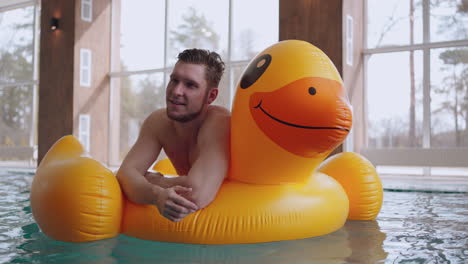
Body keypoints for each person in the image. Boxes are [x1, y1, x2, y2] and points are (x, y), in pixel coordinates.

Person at [116, 49, 230, 222]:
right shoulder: (158, 122)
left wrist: (155, 180)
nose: (176, 91)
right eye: (174, 80)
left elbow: (195, 195)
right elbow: (124, 175)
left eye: (190, 85)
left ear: (211, 96)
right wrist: (157, 195)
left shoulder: (220, 124)